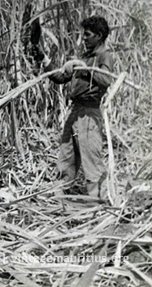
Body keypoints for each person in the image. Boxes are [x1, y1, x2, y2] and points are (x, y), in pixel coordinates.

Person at [38, 16, 115, 199]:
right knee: (66, 156)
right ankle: (60, 198)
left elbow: (106, 79)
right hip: (75, 112)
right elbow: (60, 78)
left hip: (89, 114)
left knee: (91, 159)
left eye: (88, 35)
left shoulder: (104, 56)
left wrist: (83, 67)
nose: (84, 38)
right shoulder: (86, 58)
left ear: (99, 35)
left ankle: (98, 203)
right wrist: (45, 60)